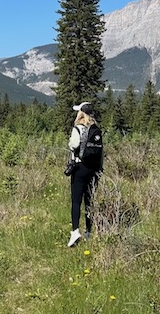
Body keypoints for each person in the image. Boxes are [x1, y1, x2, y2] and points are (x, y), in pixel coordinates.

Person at [66, 101, 103, 247]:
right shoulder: (96, 130)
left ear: (80, 113)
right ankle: (89, 231)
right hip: (93, 170)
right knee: (89, 200)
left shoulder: (78, 128)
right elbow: (101, 153)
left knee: (76, 201)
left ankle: (75, 232)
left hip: (80, 168)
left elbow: (74, 145)